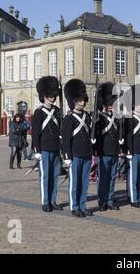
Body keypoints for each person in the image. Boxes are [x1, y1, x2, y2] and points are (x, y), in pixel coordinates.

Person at [62, 79, 93, 218]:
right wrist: (67, 156)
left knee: (84, 182)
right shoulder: (69, 118)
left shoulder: (87, 116)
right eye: (79, 100)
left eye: (83, 100)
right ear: (73, 100)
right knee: (74, 183)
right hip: (75, 154)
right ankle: (74, 207)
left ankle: (82, 205)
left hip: (86, 153)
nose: (82, 102)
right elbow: (66, 139)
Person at [32, 76, 63, 213]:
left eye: (54, 95)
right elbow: (35, 133)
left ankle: (53, 200)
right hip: (44, 148)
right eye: (50, 95)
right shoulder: (39, 112)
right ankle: (45, 201)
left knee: (55, 175)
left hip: (56, 147)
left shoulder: (57, 111)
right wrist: (36, 149)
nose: (53, 98)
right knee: (45, 176)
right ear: (44, 96)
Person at [95, 82, 124, 212]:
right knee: (103, 178)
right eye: (109, 104)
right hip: (104, 151)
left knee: (112, 177)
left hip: (114, 151)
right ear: (104, 105)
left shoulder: (117, 118)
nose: (111, 106)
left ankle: (110, 199)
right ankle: (102, 201)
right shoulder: (100, 119)